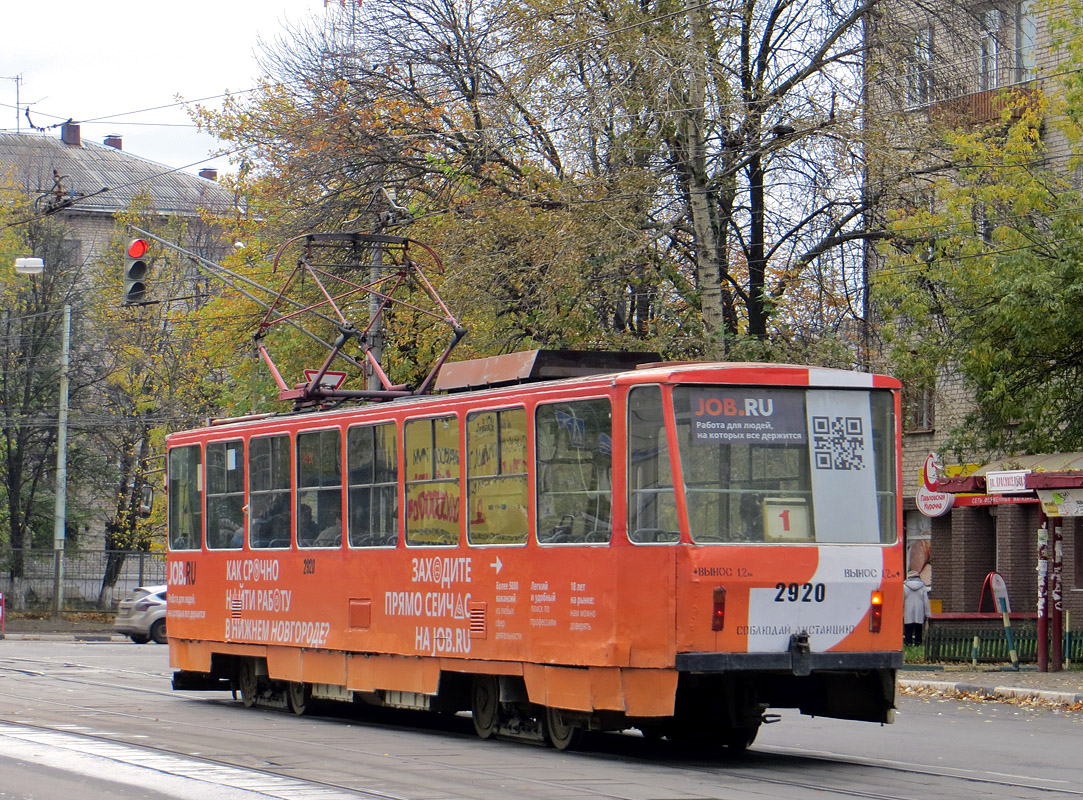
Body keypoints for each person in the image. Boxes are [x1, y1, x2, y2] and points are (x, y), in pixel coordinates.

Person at [903, 570, 931, 646]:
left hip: (907, 611)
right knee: (918, 629)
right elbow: (926, 600)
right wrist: (928, 613)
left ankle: (908, 643)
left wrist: (900, 611)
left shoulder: (904, 587)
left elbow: (902, 600)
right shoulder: (922, 587)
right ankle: (918, 643)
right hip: (919, 611)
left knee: (908, 629)